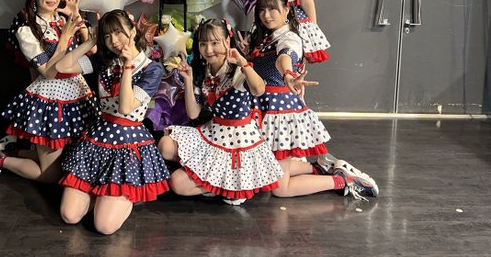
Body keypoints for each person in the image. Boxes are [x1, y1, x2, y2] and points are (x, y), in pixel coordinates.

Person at [159, 18, 378, 204]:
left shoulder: (238, 70)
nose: (209, 50)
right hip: (214, 133)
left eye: (215, 43)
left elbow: (258, 88)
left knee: (178, 183)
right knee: (166, 145)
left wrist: (244, 63)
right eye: (203, 44)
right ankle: (228, 184)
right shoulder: (203, 70)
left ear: (227, 42)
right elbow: (194, 114)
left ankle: (340, 180)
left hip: (239, 142)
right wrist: (188, 80)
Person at [0, 0, 96, 183]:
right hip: (50, 102)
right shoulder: (27, 29)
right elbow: (48, 71)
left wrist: (77, 18)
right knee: (51, 175)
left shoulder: (63, 19)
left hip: (78, 95)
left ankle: (13, 149)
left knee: (71, 162)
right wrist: (65, 37)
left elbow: (91, 50)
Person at [55, 10, 170, 235]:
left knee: (104, 226)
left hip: (128, 144)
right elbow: (62, 67)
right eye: (107, 36)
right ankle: (101, 194)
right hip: (98, 139)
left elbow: (126, 107)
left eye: (118, 32)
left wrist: (127, 66)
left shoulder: (152, 68)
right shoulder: (104, 61)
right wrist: (91, 41)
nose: (114, 40)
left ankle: (123, 196)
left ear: (133, 30)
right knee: (69, 215)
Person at [248, 0, 330, 160]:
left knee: (278, 169)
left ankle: (332, 171)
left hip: (278, 109)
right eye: (262, 10)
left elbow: (285, 56)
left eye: (272, 8)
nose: (266, 15)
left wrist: (287, 75)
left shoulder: (289, 38)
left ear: (286, 10)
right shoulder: (268, 37)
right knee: (264, 166)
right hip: (263, 105)